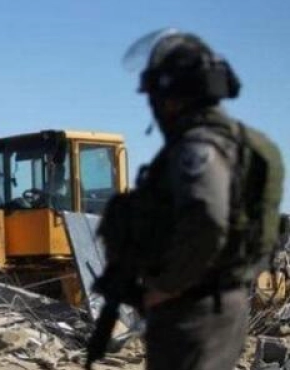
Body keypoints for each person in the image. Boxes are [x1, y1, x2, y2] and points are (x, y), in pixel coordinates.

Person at [95, 29, 284, 370]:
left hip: (193, 307)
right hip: (219, 302)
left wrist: (167, 286)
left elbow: (207, 219)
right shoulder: (238, 143)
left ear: (171, 97)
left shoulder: (198, 148)